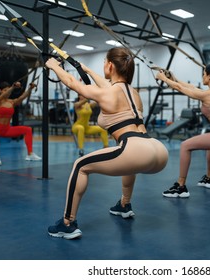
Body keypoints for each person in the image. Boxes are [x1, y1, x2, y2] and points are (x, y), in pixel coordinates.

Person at [46, 47, 168, 239]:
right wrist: (87, 70)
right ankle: (124, 205)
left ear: (110, 65)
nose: (103, 65)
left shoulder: (107, 93)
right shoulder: (133, 93)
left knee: (80, 166)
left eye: (104, 61)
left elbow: (70, 82)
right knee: (130, 162)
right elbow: (109, 85)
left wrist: (54, 66)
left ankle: (67, 223)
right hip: (158, 151)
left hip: (135, 149)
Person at [156, 63, 210, 198]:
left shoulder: (208, 94)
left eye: (203, 74)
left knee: (185, 145)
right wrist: (174, 78)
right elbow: (190, 87)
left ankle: (181, 186)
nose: (202, 76)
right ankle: (208, 178)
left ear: (209, 77)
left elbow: (180, 88)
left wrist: (163, 78)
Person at [0, 81, 41, 166]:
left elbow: (23, 97)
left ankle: (30, 154)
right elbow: (3, 96)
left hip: (7, 129)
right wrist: (12, 87)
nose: (7, 92)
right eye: (5, 90)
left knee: (28, 130)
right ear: (0, 91)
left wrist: (30, 88)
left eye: (8, 90)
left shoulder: (12, 102)